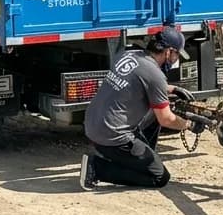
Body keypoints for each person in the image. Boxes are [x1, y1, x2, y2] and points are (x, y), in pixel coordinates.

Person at [79, 25, 209, 190]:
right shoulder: (155, 75)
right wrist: (190, 125)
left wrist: (173, 89)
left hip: (93, 125)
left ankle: (140, 159)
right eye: (177, 54)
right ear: (168, 52)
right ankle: (96, 168)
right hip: (112, 137)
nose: (176, 59)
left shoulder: (129, 55)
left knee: (156, 111)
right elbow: (166, 119)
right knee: (159, 177)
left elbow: (137, 82)